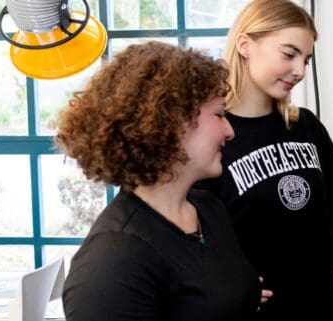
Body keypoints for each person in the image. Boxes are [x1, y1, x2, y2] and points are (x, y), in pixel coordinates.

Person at [58, 41, 265, 320]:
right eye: (218, 114)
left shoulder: (209, 210)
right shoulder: (113, 261)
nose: (229, 131)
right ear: (172, 121)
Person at [196, 0, 333, 320]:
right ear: (245, 45)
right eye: (289, 54)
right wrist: (227, 286)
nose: (299, 70)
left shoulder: (306, 126)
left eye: (306, 59)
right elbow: (192, 232)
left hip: (321, 310)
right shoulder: (211, 133)